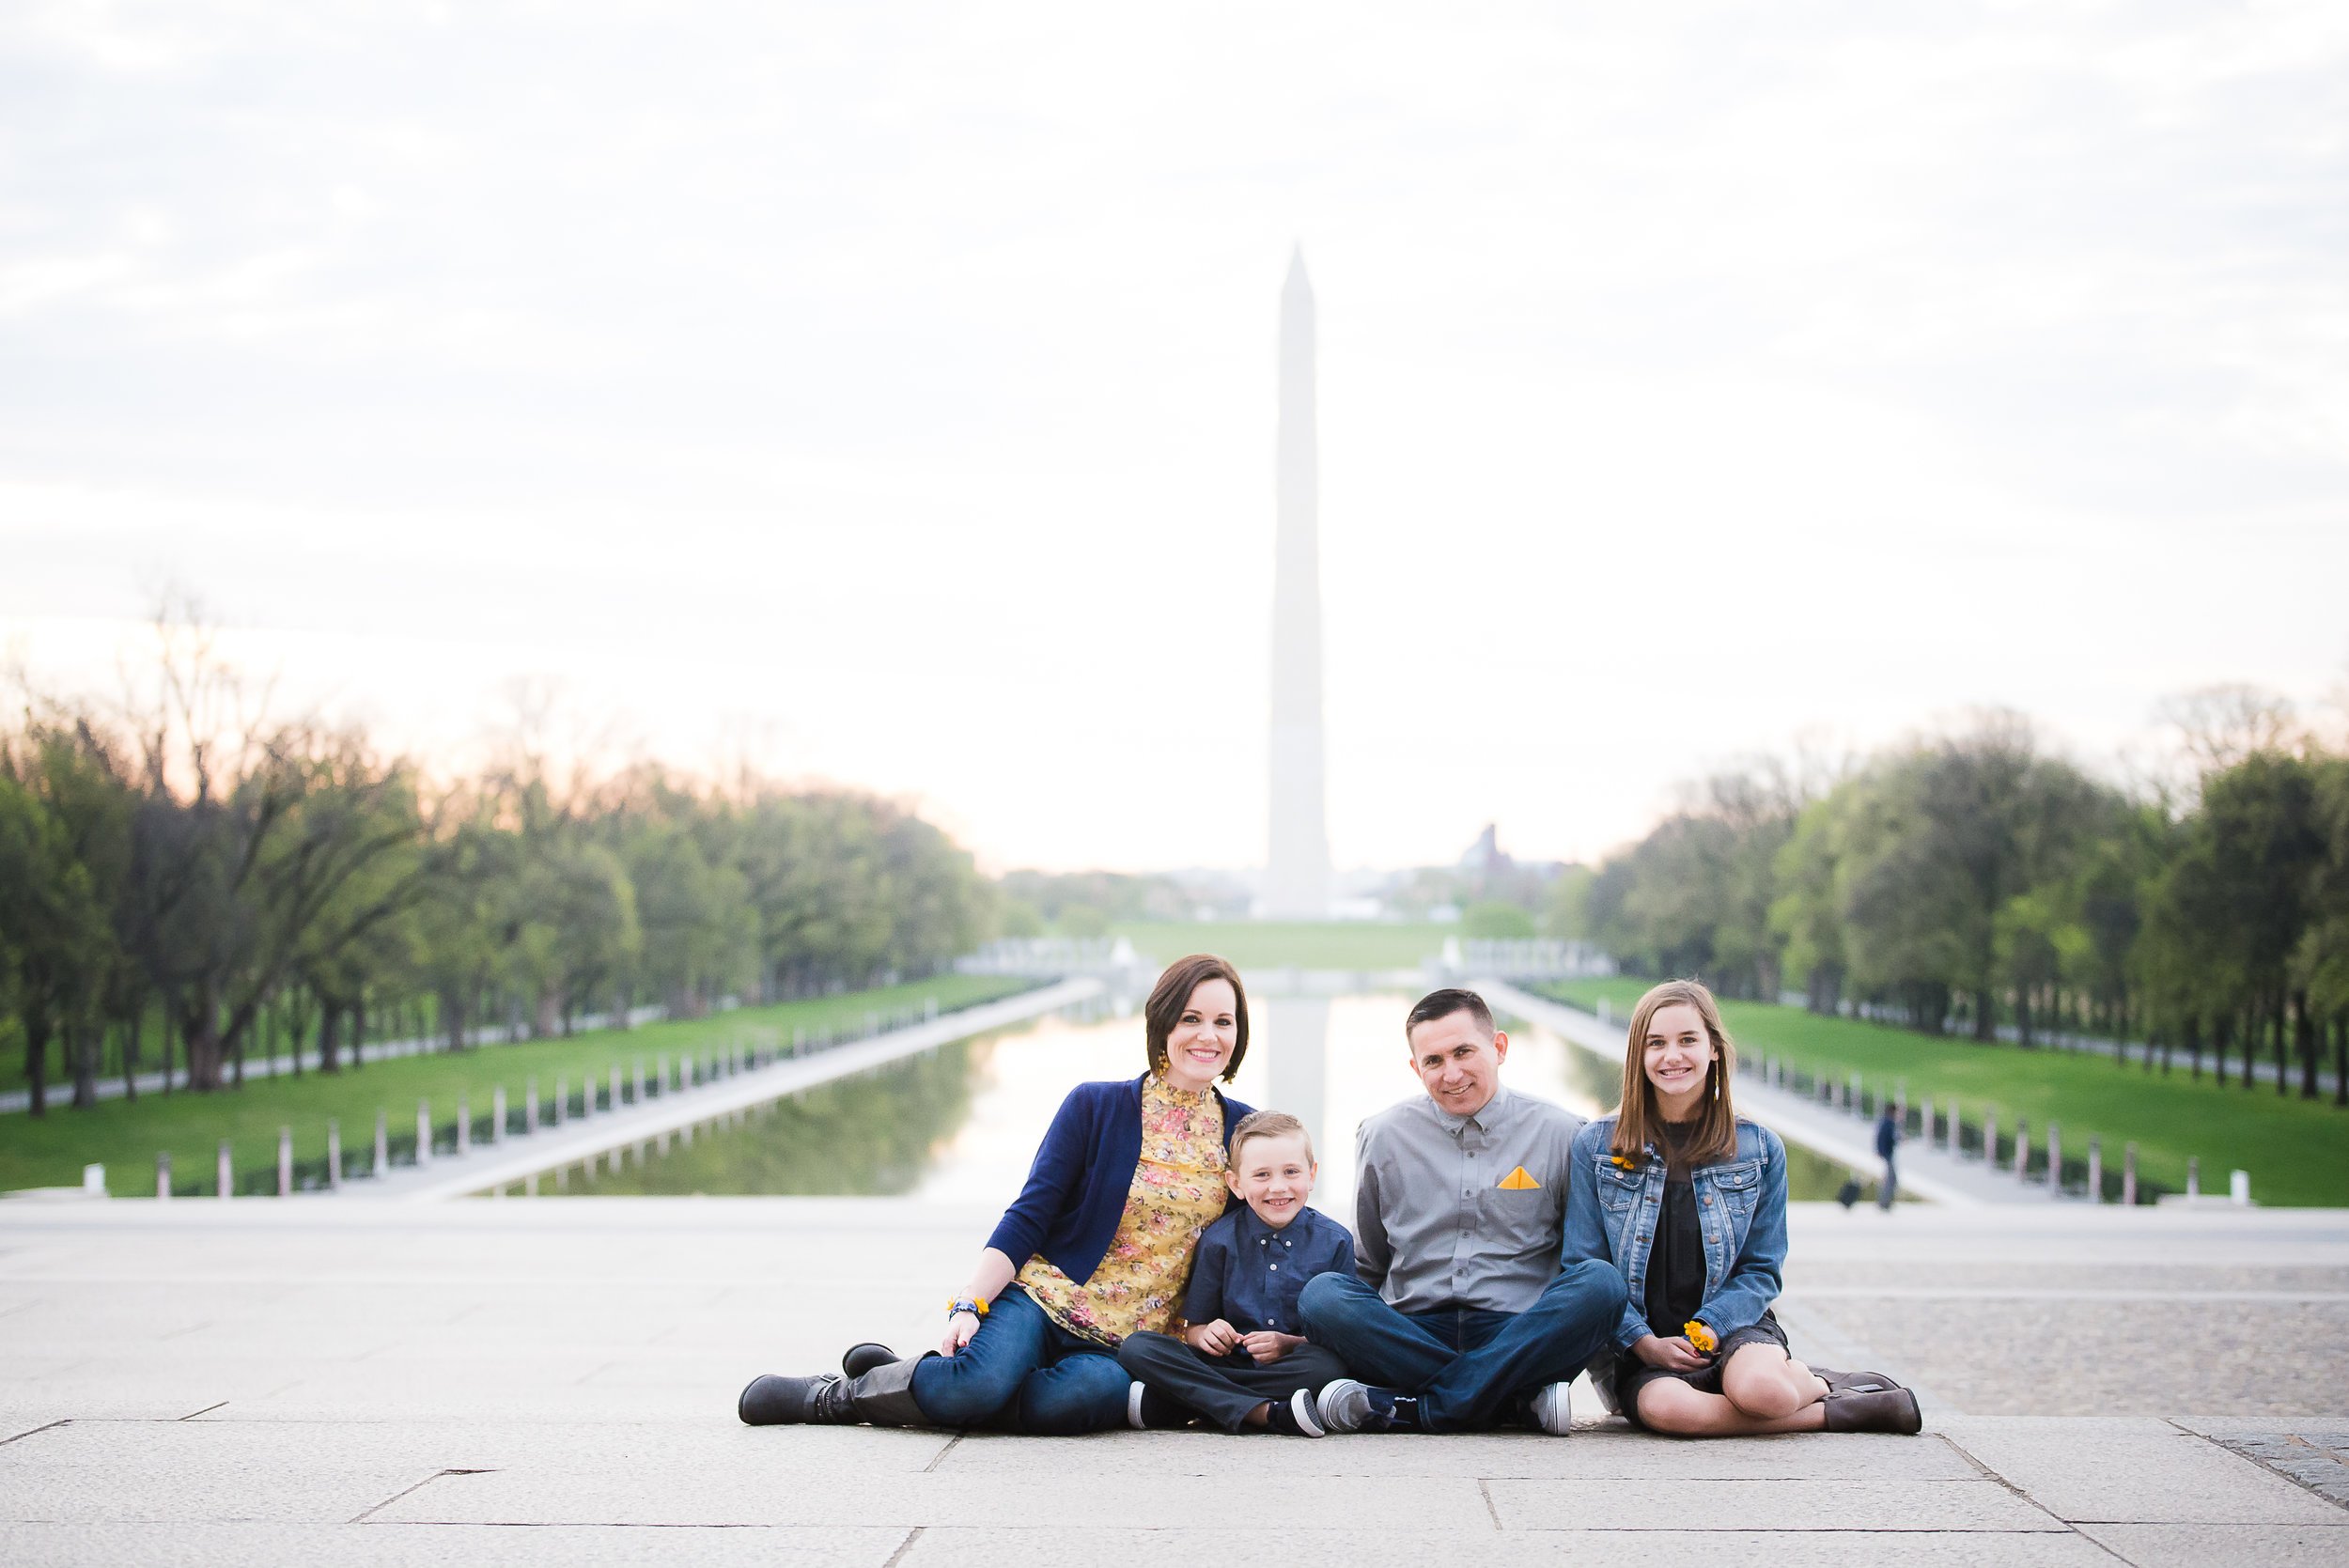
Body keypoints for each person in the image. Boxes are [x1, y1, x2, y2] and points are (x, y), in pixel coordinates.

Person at [737, 954, 1256, 1434]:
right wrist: (969, 1304)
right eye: (1191, 1018)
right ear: (1162, 1022)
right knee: (979, 1386)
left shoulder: (1244, 1133)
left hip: (1126, 1345)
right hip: (1041, 1299)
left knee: (1079, 1402)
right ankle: (838, 1396)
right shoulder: (1095, 1106)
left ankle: (922, 1380)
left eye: (1222, 1021)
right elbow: (1030, 1214)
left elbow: (1256, 1245)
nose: (1207, 1035)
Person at [1562, 978, 1921, 1436]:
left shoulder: (1760, 1147)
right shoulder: (1595, 1146)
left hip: (1736, 1327)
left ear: (1714, 1048)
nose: (1672, 1056)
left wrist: (1712, 1327)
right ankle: (1836, 1409)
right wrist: (1645, 1342)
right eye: (1657, 1043)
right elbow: (1583, 1265)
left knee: (1763, 1396)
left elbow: (1761, 1270)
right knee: (1669, 1412)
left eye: (1688, 1040)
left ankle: (1801, 1382)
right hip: (1645, 1344)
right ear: (1639, 1055)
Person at [1298, 987, 1628, 1435]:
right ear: (1416, 1068)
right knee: (1322, 1295)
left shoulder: (1562, 1133)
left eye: (1463, 1052)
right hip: (1410, 1331)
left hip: (1519, 1334)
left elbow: (1578, 1262)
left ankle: (1418, 1407)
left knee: (1602, 1283)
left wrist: (1614, 1381)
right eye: (1433, 1061)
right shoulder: (1383, 1136)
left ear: (1500, 1048)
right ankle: (1510, 1402)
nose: (1451, 1074)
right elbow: (1368, 1262)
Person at [1117, 1110, 1356, 1436]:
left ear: (1312, 1175)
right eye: (1261, 1175)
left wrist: (1288, 1344)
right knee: (1138, 1348)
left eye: (1291, 1172)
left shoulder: (1336, 1241)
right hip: (1229, 1362)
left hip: (1293, 1364)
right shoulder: (1219, 1241)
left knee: (1328, 1367)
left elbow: (1342, 1340)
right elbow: (1194, 1329)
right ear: (1236, 1183)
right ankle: (1264, 1412)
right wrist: (1207, 1334)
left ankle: (1181, 1402)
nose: (1278, 1187)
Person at [1875, 1103, 1900, 1210]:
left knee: (1890, 1178)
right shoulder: (1888, 1123)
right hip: (1887, 1154)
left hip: (1886, 1153)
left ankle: (1885, 1202)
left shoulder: (1885, 1122)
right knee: (1891, 1178)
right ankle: (1884, 1202)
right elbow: (1885, 1137)